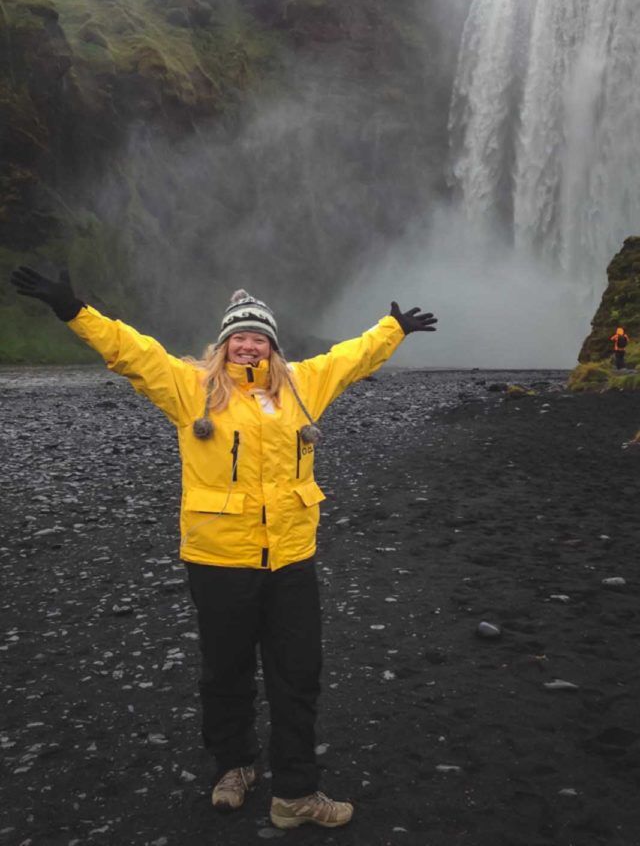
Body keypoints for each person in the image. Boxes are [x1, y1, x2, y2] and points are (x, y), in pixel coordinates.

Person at [10, 265, 437, 830]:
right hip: (219, 560)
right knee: (225, 672)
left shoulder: (303, 387)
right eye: (239, 334)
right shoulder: (191, 388)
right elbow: (131, 352)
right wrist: (74, 310)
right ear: (223, 342)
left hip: (290, 559)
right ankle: (234, 767)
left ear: (273, 345)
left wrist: (393, 329)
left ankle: (296, 794)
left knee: (298, 676)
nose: (248, 343)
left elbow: (350, 358)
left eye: (259, 335)